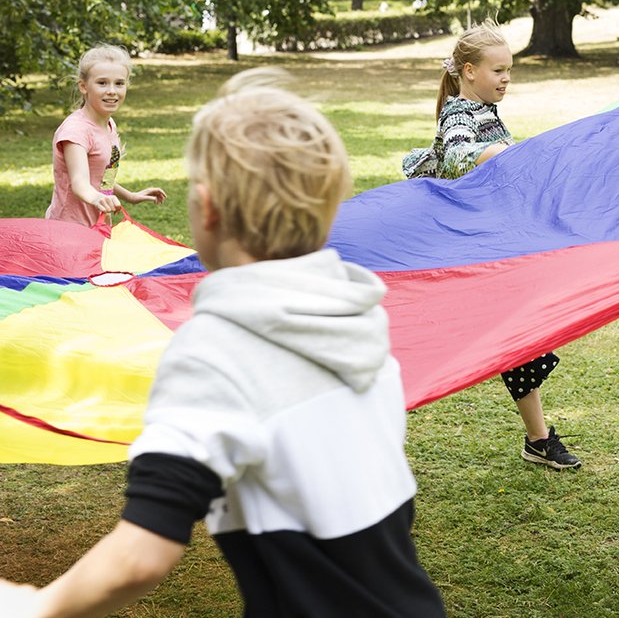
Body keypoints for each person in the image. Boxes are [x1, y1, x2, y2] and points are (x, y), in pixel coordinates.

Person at [0, 69, 446, 618]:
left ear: (207, 208)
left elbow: (142, 555)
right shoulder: (358, 316)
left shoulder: (215, 354)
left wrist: (36, 606)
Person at [403, 22, 582, 469]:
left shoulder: (484, 109)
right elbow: (458, 156)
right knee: (434, 337)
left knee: (517, 338)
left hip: (485, 248)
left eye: (509, 71)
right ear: (469, 71)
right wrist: (510, 154)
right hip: (457, 255)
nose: (506, 79)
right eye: (498, 71)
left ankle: (538, 439)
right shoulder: (459, 114)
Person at [45, 44, 166, 226]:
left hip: (98, 225)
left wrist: (130, 196)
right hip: (70, 227)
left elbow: (99, 178)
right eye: (102, 83)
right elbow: (79, 183)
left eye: (119, 83)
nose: (112, 91)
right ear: (83, 86)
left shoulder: (108, 124)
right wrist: (98, 199)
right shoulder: (76, 131)